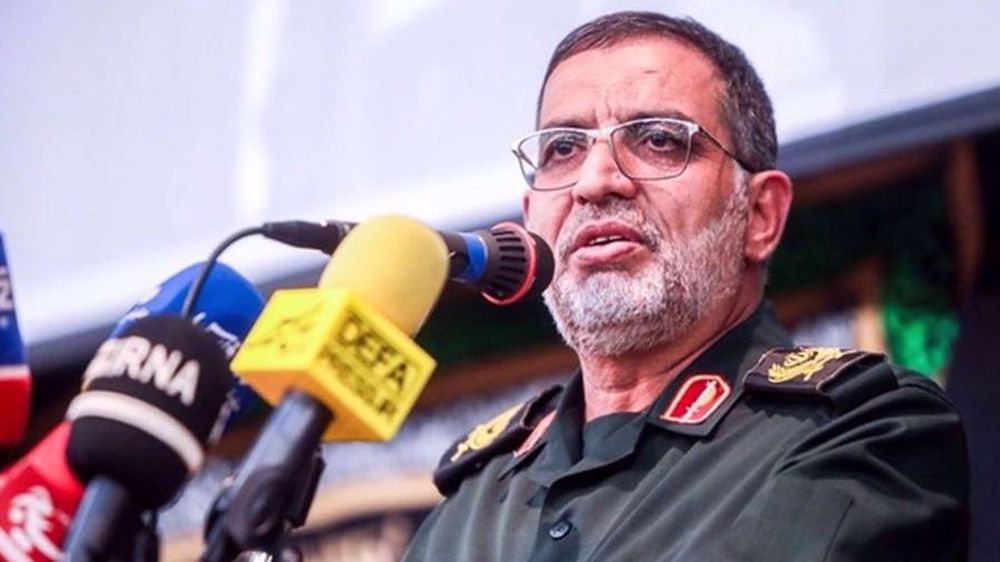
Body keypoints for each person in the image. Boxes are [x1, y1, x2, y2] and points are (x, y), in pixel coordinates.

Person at [403, 11, 968, 561]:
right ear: (531, 217)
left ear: (760, 215)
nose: (597, 181)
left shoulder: (865, 428)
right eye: (563, 149)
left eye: (658, 140)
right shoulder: (474, 493)